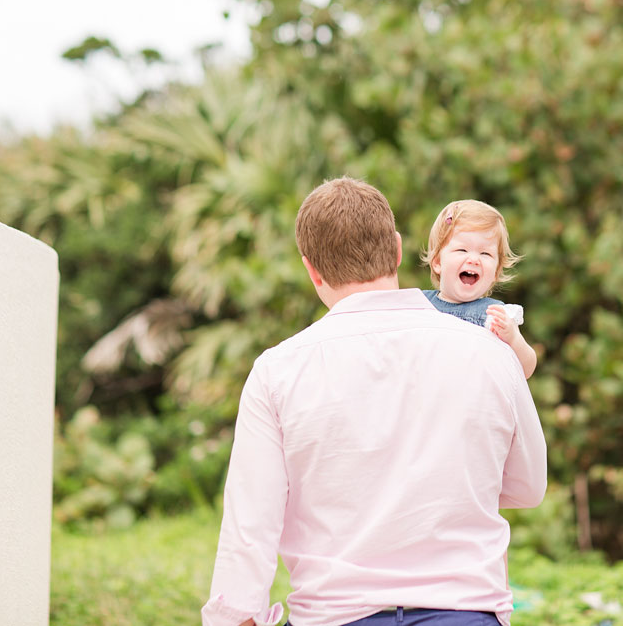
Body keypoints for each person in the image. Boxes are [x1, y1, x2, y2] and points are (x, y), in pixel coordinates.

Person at [202, 177, 547, 626]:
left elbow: (251, 523)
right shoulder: (491, 352)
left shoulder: (277, 370)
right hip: (465, 612)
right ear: (399, 250)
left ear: (312, 269)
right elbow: (527, 486)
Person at [421, 200, 538, 379]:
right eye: (462, 250)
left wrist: (513, 339)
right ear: (437, 262)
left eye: (485, 254)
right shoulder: (419, 304)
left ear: (496, 272)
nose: (474, 259)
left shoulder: (495, 315)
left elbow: (527, 369)